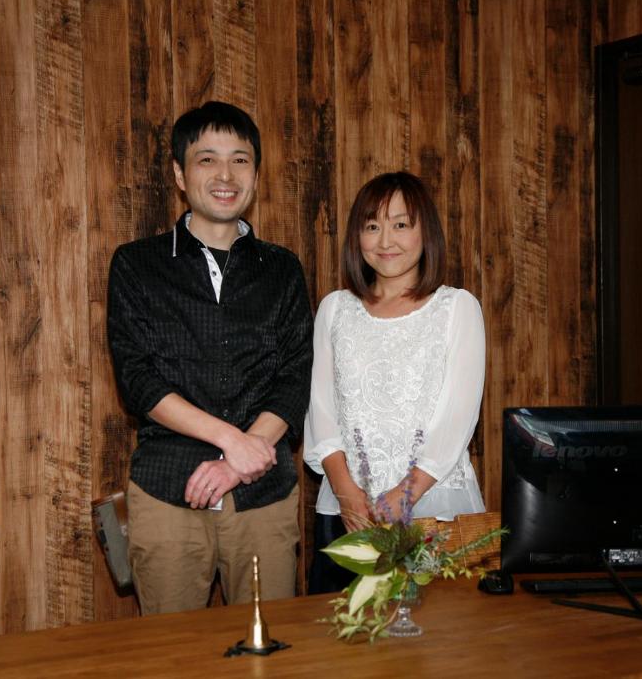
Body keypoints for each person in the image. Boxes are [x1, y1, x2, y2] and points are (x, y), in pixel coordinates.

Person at [107, 101, 312, 614]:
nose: (225, 174)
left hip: (263, 492)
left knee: (272, 651)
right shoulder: (137, 264)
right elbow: (138, 380)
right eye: (207, 159)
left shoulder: (283, 270)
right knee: (172, 657)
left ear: (256, 174)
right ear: (179, 173)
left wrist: (240, 465)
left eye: (240, 160)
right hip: (166, 488)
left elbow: (294, 377)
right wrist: (228, 442)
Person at [303, 171, 486, 594]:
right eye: (372, 226)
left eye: (401, 224)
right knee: (346, 648)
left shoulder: (456, 308)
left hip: (432, 507)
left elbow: (457, 418)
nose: (386, 240)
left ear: (426, 232)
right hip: (349, 510)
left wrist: (406, 492)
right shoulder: (335, 310)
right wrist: (346, 491)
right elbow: (321, 412)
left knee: (439, 646)